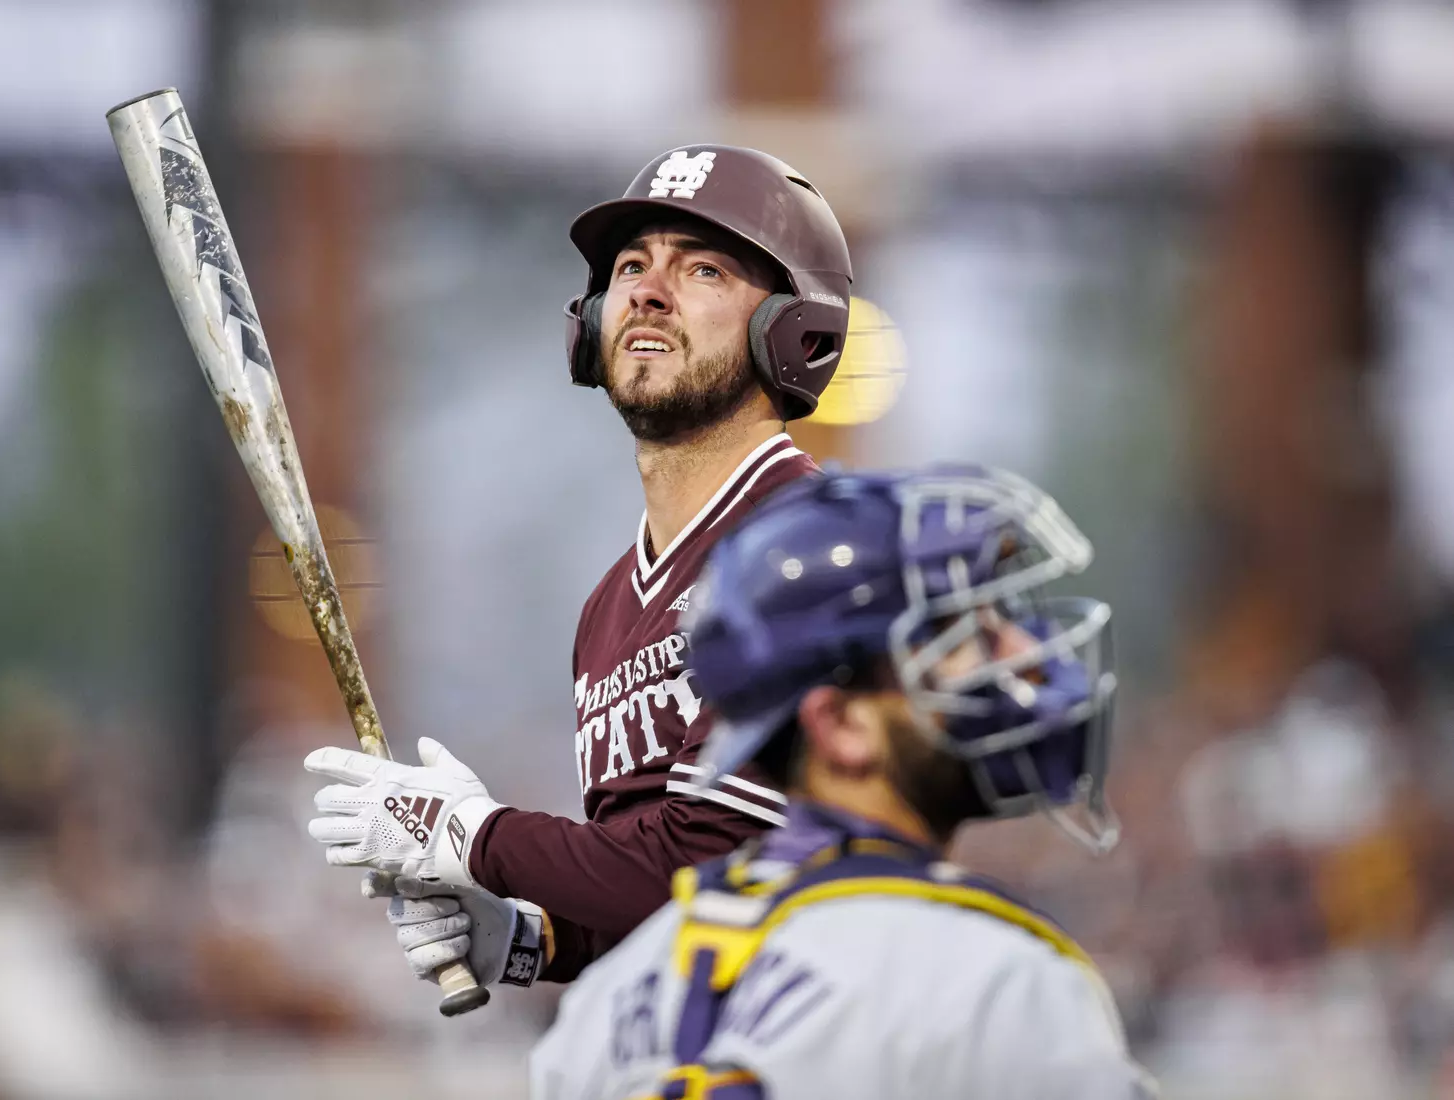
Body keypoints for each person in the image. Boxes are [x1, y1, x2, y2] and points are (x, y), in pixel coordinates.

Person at [303, 146, 854, 992]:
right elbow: (646, 909)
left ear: (792, 329)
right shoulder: (608, 605)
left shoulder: (806, 544)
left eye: (702, 268)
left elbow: (715, 869)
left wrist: (476, 839)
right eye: (631, 265)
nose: (648, 289)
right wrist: (527, 938)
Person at [529, 466, 1155, 1099]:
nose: (1022, 650)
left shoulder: (605, 1005)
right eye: (962, 631)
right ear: (842, 725)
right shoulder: (995, 984)